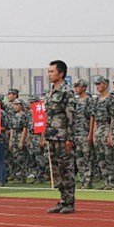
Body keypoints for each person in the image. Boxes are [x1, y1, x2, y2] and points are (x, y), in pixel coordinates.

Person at [40, 60, 76, 214]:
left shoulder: (67, 92)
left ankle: (70, 202)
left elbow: (71, 117)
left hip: (63, 137)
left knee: (66, 169)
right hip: (51, 137)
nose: (49, 74)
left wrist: (70, 138)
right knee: (56, 171)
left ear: (61, 74)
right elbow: (47, 116)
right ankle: (62, 200)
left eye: (52, 71)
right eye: (48, 71)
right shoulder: (49, 93)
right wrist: (43, 135)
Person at [73, 79, 94, 189]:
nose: (76, 89)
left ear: (84, 88)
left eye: (78, 86)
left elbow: (92, 117)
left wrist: (90, 133)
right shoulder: (75, 102)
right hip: (77, 134)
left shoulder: (89, 100)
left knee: (87, 158)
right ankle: (82, 181)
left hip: (85, 133)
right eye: (75, 87)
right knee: (79, 158)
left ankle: (88, 181)